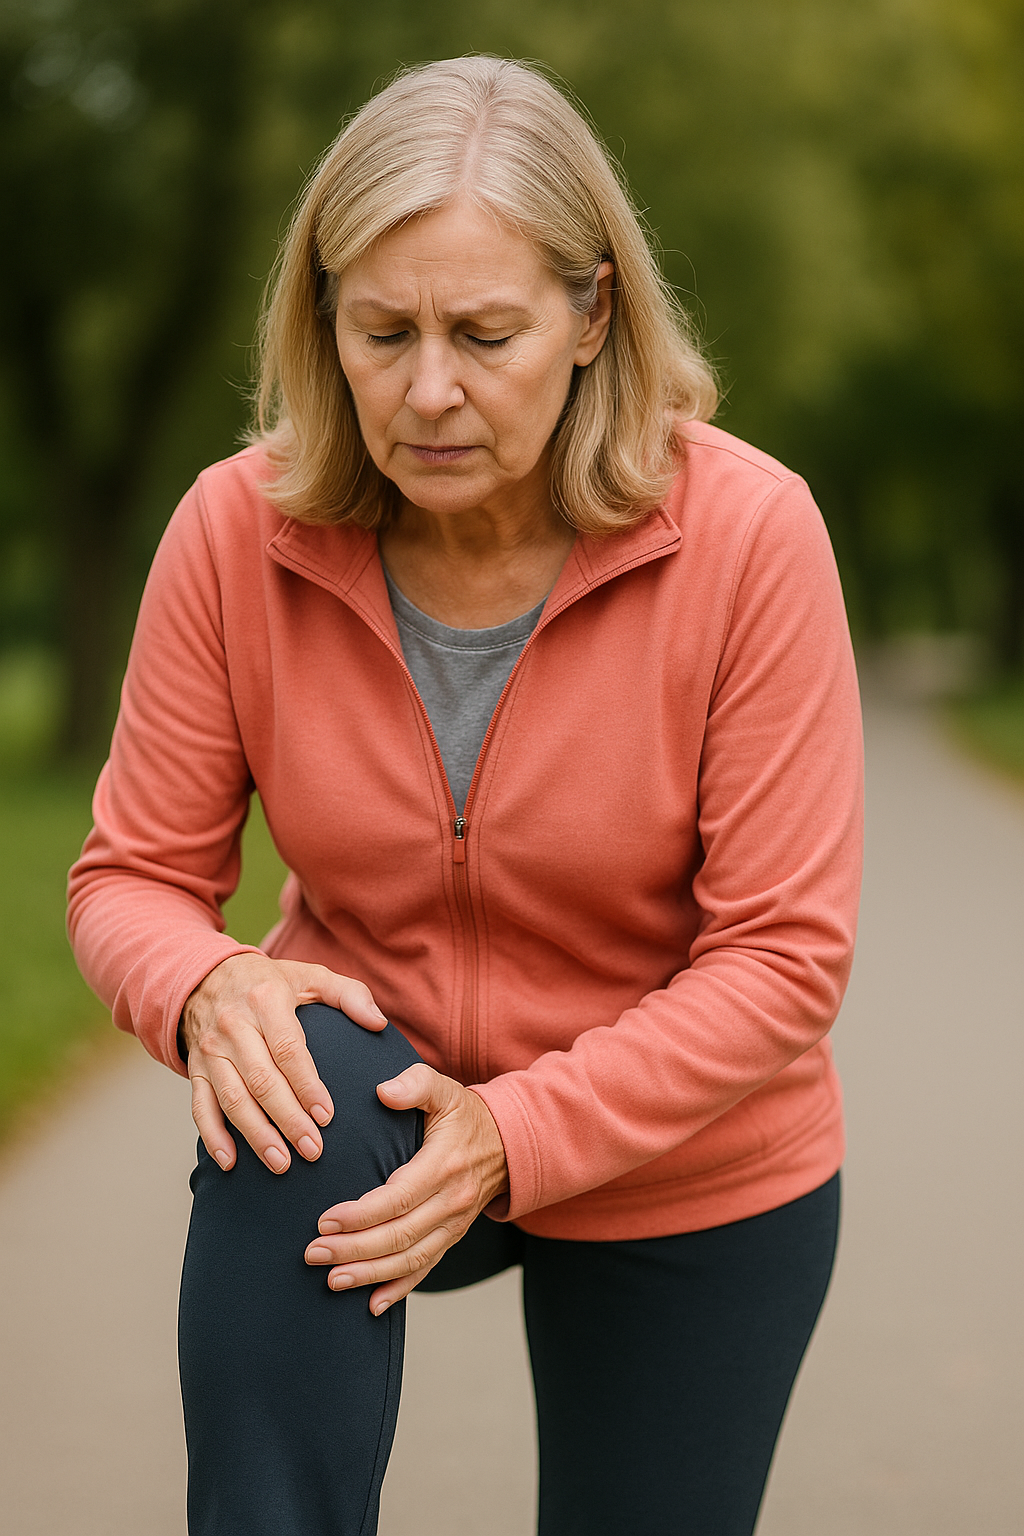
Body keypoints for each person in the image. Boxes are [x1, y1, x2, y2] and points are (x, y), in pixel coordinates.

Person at [67, 54, 862, 1536]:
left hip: (688, 1159)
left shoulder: (752, 535)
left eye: (486, 335)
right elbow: (131, 879)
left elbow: (783, 958)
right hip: (369, 1110)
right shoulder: (234, 531)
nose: (429, 390)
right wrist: (205, 987)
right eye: (383, 333)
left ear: (592, 317)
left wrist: (516, 1131)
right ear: (325, 322)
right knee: (286, 1076)